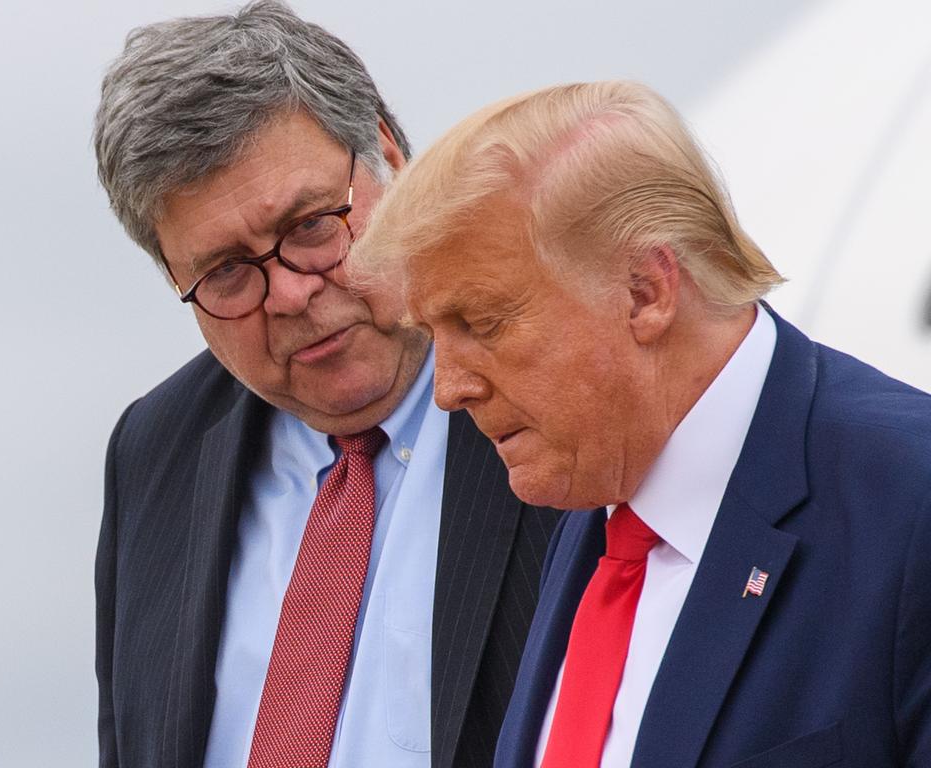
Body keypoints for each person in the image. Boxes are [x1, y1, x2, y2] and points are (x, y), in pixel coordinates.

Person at [348, 81, 931, 767]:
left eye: (482, 323)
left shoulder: (906, 502)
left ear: (645, 291)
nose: (449, 390)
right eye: (434, 333)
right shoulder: (593, 506)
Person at [92, 4, 560, 767]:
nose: (289, 295)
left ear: (389, 157)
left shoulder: (560, 379)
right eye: (228, 273)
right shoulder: (154, 451)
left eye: (312, 226)